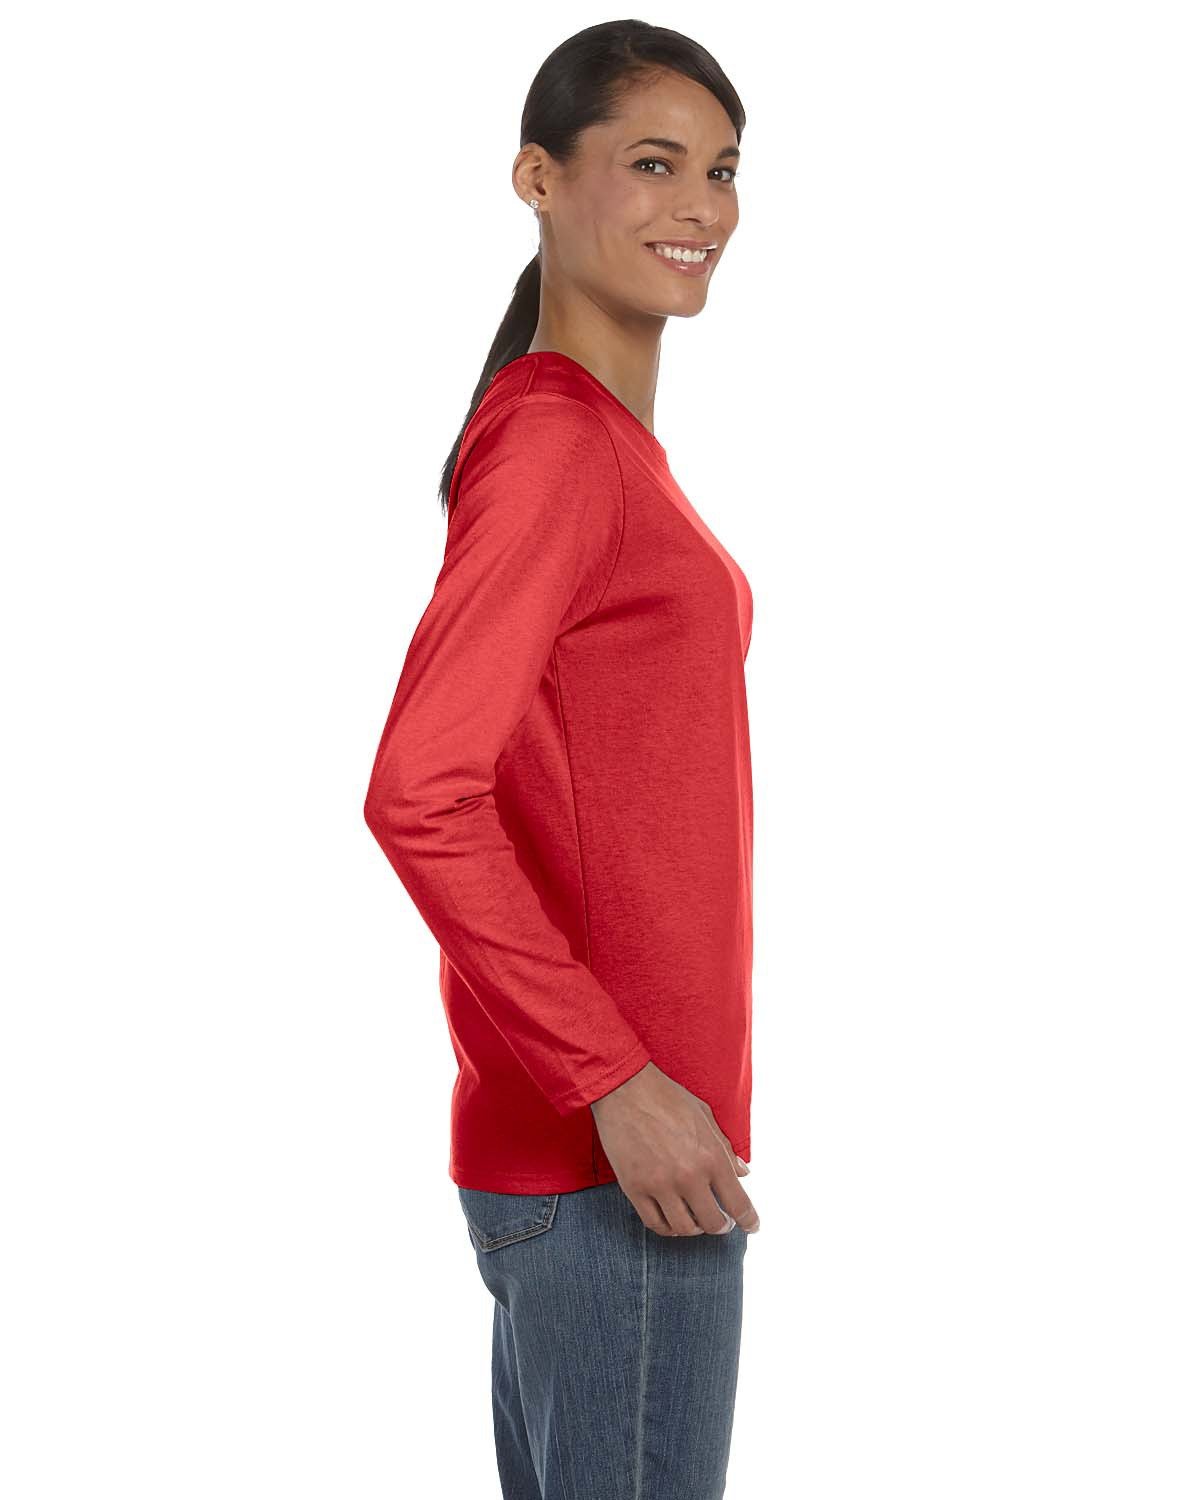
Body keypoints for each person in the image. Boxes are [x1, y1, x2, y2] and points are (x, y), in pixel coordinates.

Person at [363, 21, 758, 1499]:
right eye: (652, 164)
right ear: (537, 177)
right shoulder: (557, 448)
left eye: (722, 170)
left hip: (620, 1160)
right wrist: (617, 1081)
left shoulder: (591, 445)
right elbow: (421, 792)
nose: (700, 207)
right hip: (617, 1168)